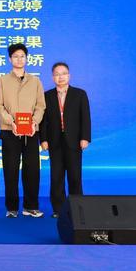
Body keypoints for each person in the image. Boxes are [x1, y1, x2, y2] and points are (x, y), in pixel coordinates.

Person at [0, 43, 46, 218]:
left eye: (22, 56)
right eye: (15, 56)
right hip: (10, 131)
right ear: (10, 59)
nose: (19, 59)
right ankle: (12, 208)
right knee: (10, 170)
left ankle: (31, 206)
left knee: (32, 170)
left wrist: (34, 122)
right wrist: (11, 122)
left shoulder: (35, 81)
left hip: (31, 132)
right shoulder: (2, 81)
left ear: (26, 58)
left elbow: (40, 106)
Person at [40, 62, 91, 218]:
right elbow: (44, 121)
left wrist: (85, 138)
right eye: (57, 74)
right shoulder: (47, 96)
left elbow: (85, 118)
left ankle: (78, 209)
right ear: (52, 77)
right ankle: (58, 209)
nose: (60, 77)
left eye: (63, 73)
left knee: (75, 176)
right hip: (54, 141)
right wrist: (43, 139)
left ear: (69, 75)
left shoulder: (79, 94)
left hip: (74, 141)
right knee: (56, 177)